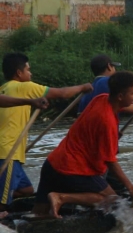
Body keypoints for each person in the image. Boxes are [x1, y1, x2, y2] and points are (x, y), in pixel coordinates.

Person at [33, 71, 133, 219]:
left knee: (39, 215)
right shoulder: (107, 122)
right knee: (113, 200)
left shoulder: (102, 98)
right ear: (120, 96)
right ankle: (61, 198)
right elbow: (110, 161)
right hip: (74, 169)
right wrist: (131, 187)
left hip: (53, 163)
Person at [0, 53, 92, 206]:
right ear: (19, 73)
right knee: (2, 204)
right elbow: (62, 93)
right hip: (8, 151)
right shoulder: (25, 87)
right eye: (28, 70)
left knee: (26, 190)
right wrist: (83, 87)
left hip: (8, 150)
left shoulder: (4, 89)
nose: (31, 73)